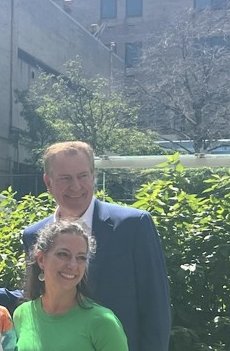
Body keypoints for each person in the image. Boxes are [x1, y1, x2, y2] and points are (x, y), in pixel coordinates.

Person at [21, 141, 171, 351]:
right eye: (65, 178)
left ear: (93, 176)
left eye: (82, 176)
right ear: (48, 182)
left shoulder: (133, 226)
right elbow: (35, 294)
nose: (76, 186)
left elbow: (156, 308)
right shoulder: (33, 235)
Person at [14, 220, 128, 350]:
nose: (73, 265)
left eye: (81, 257)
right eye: (63, 254)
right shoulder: (21, 315)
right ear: (41, 259)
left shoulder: (103, 322)